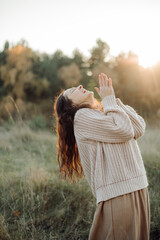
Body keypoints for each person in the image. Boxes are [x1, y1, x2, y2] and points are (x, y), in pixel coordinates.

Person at [53, 73, 150, 240]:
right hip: (118, 193)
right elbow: (124, 131)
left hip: (138, 185)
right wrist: (109, 101)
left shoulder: (103, 112)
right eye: (73, 91)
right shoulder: (82, 117)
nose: (80, 87)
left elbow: (138, 127)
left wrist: (112, 100)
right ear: (71, 105)